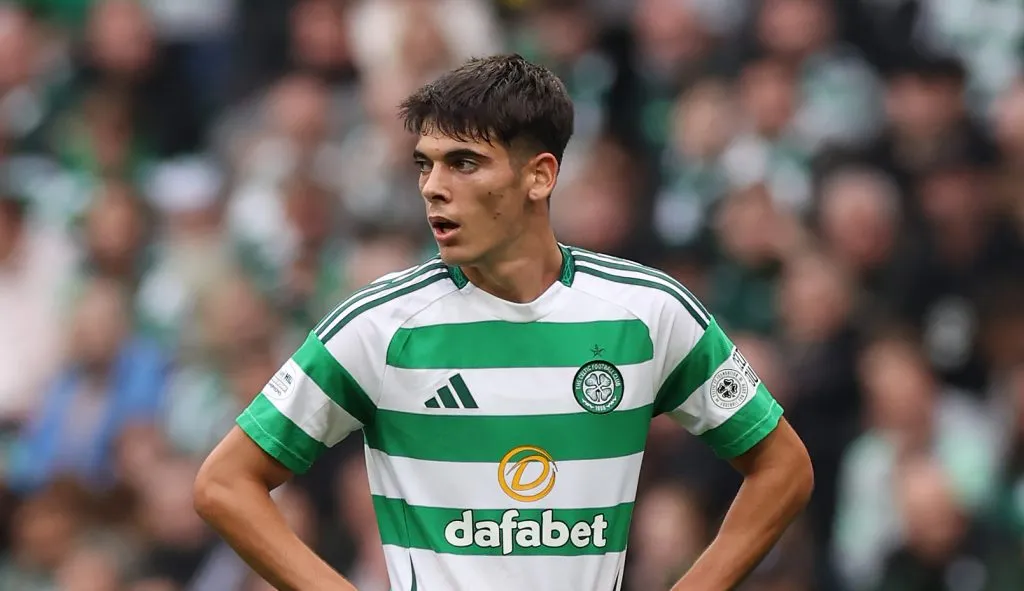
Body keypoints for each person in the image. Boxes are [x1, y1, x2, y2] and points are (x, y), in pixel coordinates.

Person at [193, 54, 814, 591]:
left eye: (463, 163)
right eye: (424, 164)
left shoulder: (648, 312)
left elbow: (783, 468)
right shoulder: (379, 326)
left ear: (539, 176)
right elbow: (225, 483)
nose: (433, 187)